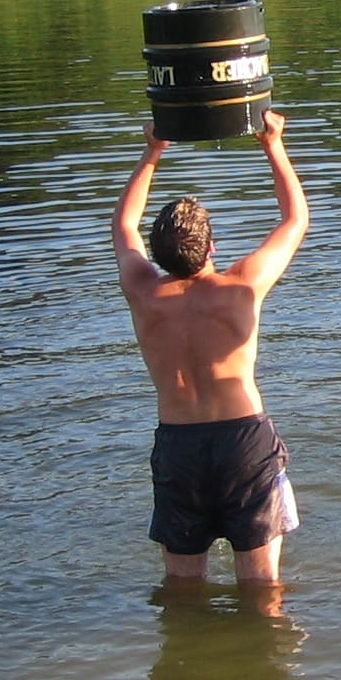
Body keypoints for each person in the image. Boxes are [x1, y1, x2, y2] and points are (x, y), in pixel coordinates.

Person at [114, 112, 308, 586]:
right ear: (211, 248)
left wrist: (153, 150)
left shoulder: (142, 291)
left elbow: (123, 224)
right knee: (262, 587)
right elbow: (295, 219)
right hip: (244, 442)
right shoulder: (241, 287)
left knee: (182, 587)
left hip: (179, 445)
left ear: (156, 254)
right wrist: (273, 143)